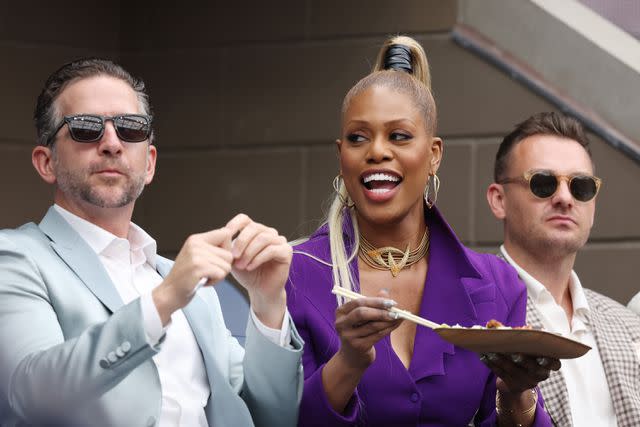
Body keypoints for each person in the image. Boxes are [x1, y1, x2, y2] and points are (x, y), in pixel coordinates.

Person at [0, 58, 303, 427]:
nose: (111, 143)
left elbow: (272, 418)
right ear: (46, 162)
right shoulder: (16, 258)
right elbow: (34, 397)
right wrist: (163, 301)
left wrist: (268, 303)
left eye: (130, 128)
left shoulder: (190, 287)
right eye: (85, 128)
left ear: (149, 164)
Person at [286, 36, 557, 427]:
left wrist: (517, 393)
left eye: (399, 136)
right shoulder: (297, 273)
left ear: (434, 155)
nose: (376, 151)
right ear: (340, 155)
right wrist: (348, 363)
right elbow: (276, 417)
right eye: (358, 137)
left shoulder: (497, 285)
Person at [486, 112, 640, 427]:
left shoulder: (630, 326)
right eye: (543, 183)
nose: (564, 198)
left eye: (581, 187)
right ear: (499, 199)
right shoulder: (463, 314)